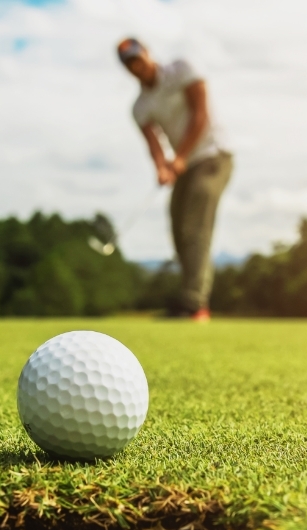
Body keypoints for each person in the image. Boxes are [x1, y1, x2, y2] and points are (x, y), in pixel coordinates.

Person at [117, 37, 233, 322]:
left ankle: (194, 304)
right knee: (179, 229)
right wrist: (161, 167)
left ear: (147, 53)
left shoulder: (183, 70)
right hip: (186, 166)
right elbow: (154, 145)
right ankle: (189, 298)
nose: (136, 66)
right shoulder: (140, 107)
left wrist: (179, 157)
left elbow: (200, 114)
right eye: (130, 64)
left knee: (195, 226)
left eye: (138, 58)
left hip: (213, 156)